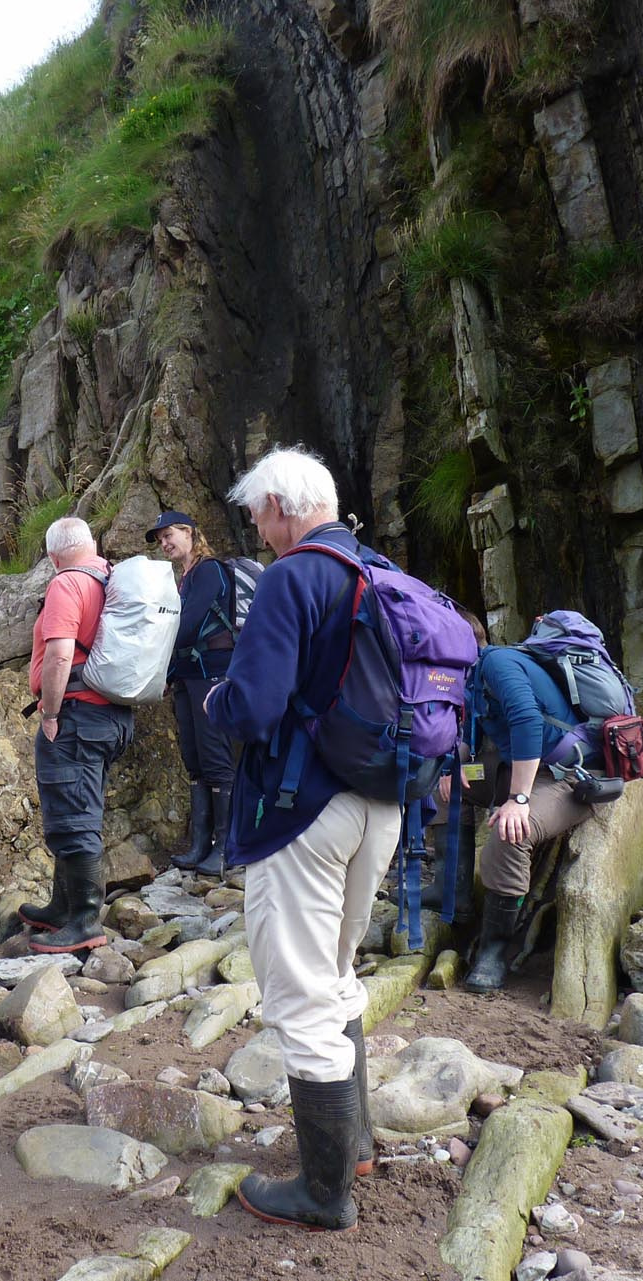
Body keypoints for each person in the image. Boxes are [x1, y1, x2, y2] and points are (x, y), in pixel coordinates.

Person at [204, 447, 390, 1233]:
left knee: (301, 998)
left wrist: (214, 700)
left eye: (256, 515)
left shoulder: (291, 577)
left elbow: (253, 707)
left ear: (280, 505)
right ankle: (356, 1147)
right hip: (382, 802)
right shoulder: (377, 570)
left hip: (305, 809)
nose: (257, 530)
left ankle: (323, 1193)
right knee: (336, 973)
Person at [448, 629, 593, 992]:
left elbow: (527, 720)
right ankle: (456, 896)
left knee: (510, 831)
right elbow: (469, 738)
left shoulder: (497, 662)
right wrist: (451, 767)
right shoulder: (472, 679)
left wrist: (519, 800)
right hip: (521, 769)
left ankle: (494, 949)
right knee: (438, 788)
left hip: (568, 776)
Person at [15, 517, 135, 953]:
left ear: (52, 556)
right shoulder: (111, 579)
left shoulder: (67, 583)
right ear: (92, 543)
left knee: (74, 817)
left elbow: (60, 655)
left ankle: (85, 921)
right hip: (112, 717)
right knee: (77, 808)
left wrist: (49, 713)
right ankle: (61, 907)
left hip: (78, 716)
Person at [147, 509, 234, 877]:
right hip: (186, 675)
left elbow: (188, 624)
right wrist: (167, 673)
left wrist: (152, 654)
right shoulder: (184, 578)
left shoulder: (210, 571)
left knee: (215, 756)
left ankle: (225, 848)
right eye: (161, 540)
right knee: (193, 757)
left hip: (212, 673)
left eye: (169, 535)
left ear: (189, 532)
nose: (165, 543)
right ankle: (200, 844)